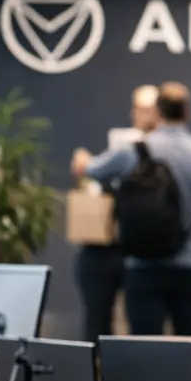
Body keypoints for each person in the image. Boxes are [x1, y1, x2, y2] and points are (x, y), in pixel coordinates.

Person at [79, 82, 191, 337]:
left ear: (157, 112)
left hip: (144, 263)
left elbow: (92, 170)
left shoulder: (131, 152)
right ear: (187, 112)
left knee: (145, 345)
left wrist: (81, 160)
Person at [69, 84, 161, 342]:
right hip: (110, 249)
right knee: (99, 319)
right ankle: (99, 364)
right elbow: (91, 172)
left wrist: (83, 161)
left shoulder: (137, 152)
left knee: (143, 326)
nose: (139, 115)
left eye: (146, 109)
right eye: (137, 109)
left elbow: (86, 167)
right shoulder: (124, 148)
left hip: (144, 251)